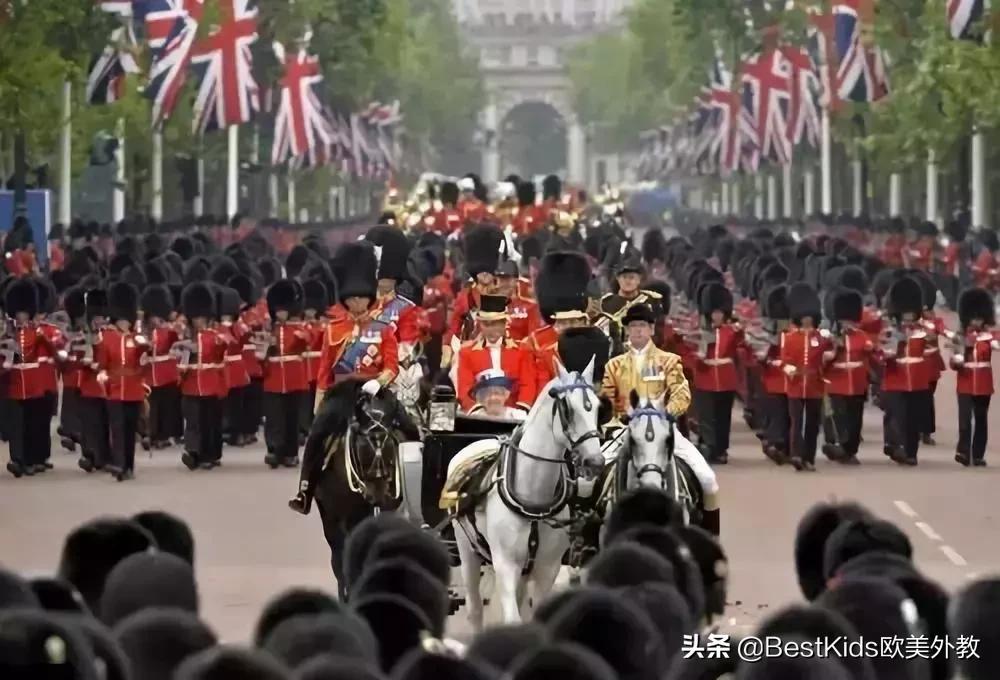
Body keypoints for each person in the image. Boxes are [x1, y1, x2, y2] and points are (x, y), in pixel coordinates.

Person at [290, 242, 398, 515]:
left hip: (375, 390)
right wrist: (320, 403)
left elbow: (392, 365)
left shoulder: (383, 329)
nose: (357, 303)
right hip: (341, 394)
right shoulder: (334, 330)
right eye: (352, 299)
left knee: (410, 431)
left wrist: (380, 381)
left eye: (361, 298)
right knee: (316, 438)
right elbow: (325, 370)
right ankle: (305, 490)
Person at [600, 304, 720, 534]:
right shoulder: (614, 365)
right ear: (626, 330)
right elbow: (608, 400)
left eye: (642, 326)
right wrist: (619, 417)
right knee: (588, 481)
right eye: (633, 326)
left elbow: (681, 393)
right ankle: (586, 542)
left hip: (664, 430)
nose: (637, 331)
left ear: (651, 329)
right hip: (626, 431)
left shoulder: (669, 361)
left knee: (708, 481)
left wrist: (666, 414)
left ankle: (709, 538)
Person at [94, 282, 150, 481]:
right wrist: (103, 377)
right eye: (123, 320)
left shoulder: (138, 339)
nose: (125, 324)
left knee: (129, 429)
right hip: (115, 388)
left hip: (134, 387)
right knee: (117, 429)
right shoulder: (106, 338)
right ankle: (118, 464)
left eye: (128, 320)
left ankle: (128, 466)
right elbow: (102, 363)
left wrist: (144, 353)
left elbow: (143, 366)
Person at [3, 278, 55, 477]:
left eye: (24, 312)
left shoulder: (38, 332)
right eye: (18, 312)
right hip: (15, 385)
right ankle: (18, 459)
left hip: (35, 384)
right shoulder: (8, 332)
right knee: (17, 426)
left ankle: (33, 459)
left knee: (34, 424)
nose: (21, 316)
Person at [780, 283, 833, 472]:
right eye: (804, 317)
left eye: (809, 317)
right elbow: (784, 360)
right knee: (796, 423)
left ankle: (808, 458)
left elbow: (829, 355)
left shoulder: (822, 338)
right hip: (795, 384)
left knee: (812, 424)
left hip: (814, 385)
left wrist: (829, 355)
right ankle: (796, 455)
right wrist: (790, 369)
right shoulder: (790, 337)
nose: (807, 320)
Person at [521, 252, 592, 390]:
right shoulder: (534, 342)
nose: (569, 325)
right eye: (564, 321)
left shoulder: (594, 337)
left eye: (573, 321)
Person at [689, 282, 743, 465]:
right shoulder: (699, 332)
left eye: (720, 313)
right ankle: (709, 446)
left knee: (723, 416)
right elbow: (689, 352)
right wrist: (699, 359)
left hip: (726, 378)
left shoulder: (732, 332)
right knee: (706, 415)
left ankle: (721, 449)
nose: (717, 316)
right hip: (705, 377)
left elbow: (741, 350)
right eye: (714, 313)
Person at [879, 276, 929, 466]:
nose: (908, 316)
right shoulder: (890, 331)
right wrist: (892, 348)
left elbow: (932, 346)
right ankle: (894, 445)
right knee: (896, 414)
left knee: (913, 418)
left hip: (916, 380)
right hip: (895, 377)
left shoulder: (923, 330)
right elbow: (881, 355)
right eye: (905, 313)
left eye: (911, 312)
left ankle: (910, 452)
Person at [456, 294, 536, 412]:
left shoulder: (522, 350)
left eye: (495, 324)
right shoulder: (466, 353)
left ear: (504, 323)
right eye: (486, 324)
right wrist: (477, 411)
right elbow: (464, 388)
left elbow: (528, 385)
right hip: (480, 413)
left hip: (514, 412)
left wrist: (521, 410)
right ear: (480, 324)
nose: (490, 329)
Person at [178, 282, 227, 471]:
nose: (197, 320)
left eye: (200, 316)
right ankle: (193, 451)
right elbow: (182, 363)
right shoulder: (187, 335)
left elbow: (223, 347)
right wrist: (182, 355)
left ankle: (209, 454)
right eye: (195, 317)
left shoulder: (215, 334)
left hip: (210, 384)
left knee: (209, 422)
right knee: (193, 420)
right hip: (191, 384)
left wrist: (199, 347)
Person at [821, 288, 872, 465]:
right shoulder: (828, 337)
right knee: (839, 418)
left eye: (851, 320)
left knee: (855, 420)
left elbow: (871, 352)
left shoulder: (862, 336)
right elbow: (821, 360)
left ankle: (850, 450)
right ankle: (840, 446)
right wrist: (835, 349)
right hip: (836, 383)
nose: (848, 324)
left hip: (857, 384)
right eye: (845, 320)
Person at [262, 279, 309, 469]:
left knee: (291, 417)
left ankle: (290, 453)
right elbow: (260, 356)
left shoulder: (300, 329)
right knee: (274, 417)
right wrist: (266, 349)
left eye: (283, 309)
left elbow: (308, 340)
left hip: (294, 378)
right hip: (273, 378)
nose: (280, 313)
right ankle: (274, 449)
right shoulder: (269, 330)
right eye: (278, 309)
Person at [443, 224, 505, 365]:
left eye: (487, 271)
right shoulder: (466, 296)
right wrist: (445, 361)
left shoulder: (505, 294)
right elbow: (453, 330)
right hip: (471, 358)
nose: (484, 274)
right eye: (480, 271)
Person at [951, 287, 998, 467]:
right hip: (965, 382)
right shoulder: (960, 337)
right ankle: (963, 451)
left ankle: (978, 454)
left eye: (980, 317)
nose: (977, 321)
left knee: (981, 420)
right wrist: (963, 352)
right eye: (973, 317)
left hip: (984, 384)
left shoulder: (989, 337)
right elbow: (954, 362)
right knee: (964, 421)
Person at [140, 284, 182, 449]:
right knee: (151, 407)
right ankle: (150, 434)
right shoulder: (142, 330)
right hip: (149, 373)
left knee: (166, 406)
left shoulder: (169, 330)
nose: (157, 321)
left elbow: (178, 341)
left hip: (167, 372)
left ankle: (164, 435)